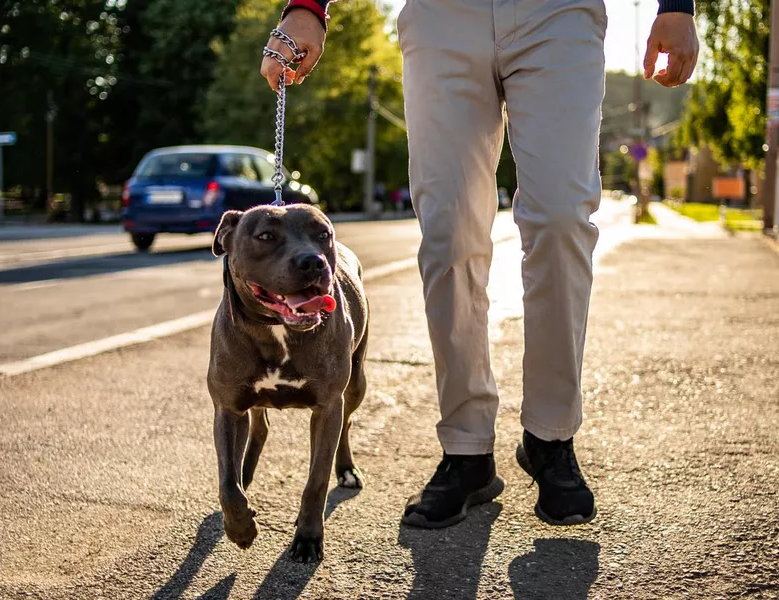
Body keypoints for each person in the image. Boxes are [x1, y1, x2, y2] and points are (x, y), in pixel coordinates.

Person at [261, 0, 698, 528]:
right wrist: (307, 7)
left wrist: (677, 7)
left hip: (558, 14)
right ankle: (467, 450)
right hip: (443, 16)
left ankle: (550, 437)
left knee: (563, 220)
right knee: (448, 234)